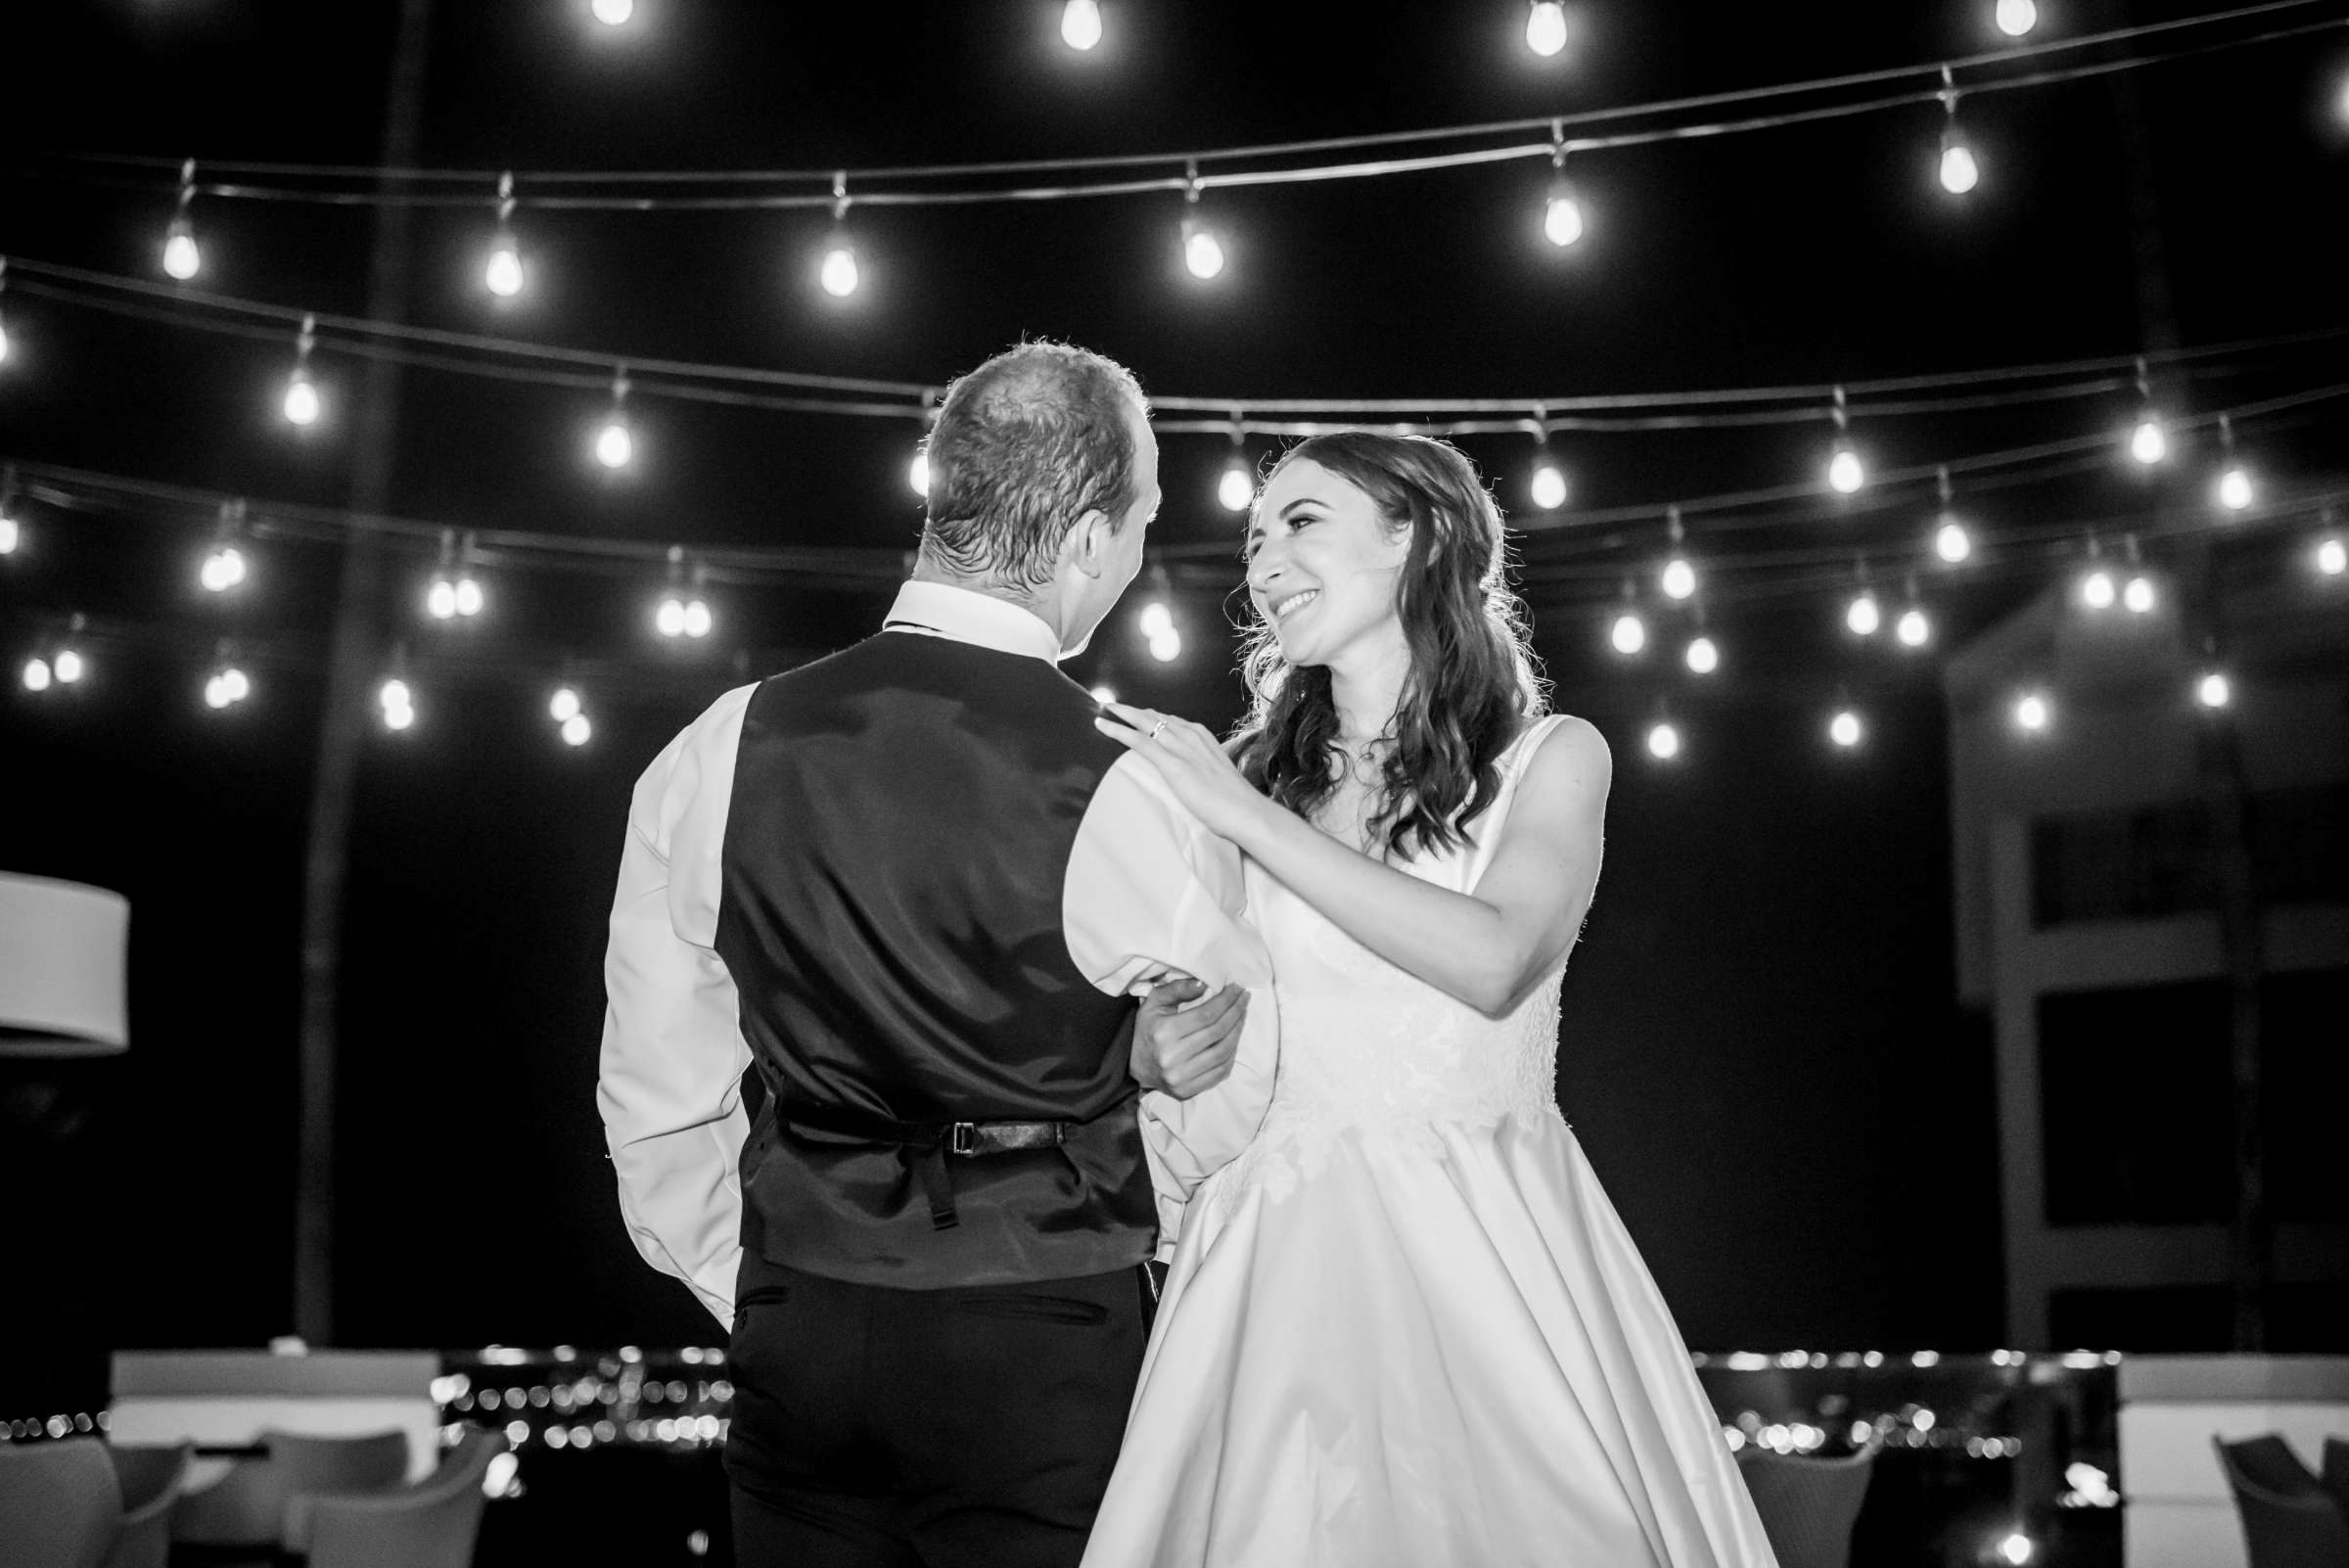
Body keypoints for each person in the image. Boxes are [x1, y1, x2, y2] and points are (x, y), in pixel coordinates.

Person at [596, 341, 1275, 1568]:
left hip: (800, 1323)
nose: (1134, 557)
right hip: (1042, 1336)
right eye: (1142, 518)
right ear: (1081, 537)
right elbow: (1234, 1089)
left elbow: (655, 1091)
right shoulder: (1130, 776)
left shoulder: (717, 746)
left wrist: (749, 1282)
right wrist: (1132, 1223)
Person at [1081, 432, 1778, 1567]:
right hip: (1267, 1266)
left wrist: (1242, 819)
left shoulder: (1553, 759)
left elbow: (1495, 958)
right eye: (1254, 540)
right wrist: (1148, 1052)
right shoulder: (1244, 778)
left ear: (1418, 536)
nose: (1262, 564)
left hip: (1488, 1248)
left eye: (1301, 522)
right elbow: (1170, 1005)